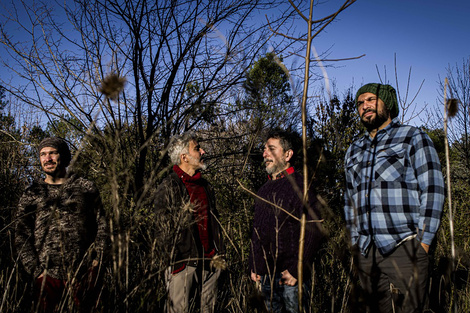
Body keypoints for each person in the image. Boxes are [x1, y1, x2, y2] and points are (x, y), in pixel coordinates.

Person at [344, 83, 445, 312]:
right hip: (367, 251)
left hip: (405, 246)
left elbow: (433, 189)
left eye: (371, 99)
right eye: (360, 103)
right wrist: (355, 242)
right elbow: (350, 199)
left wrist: (424, 243)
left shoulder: (412, 137)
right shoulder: (354, 149)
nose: (364, 106)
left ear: (387, 103)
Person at [15, 137, 109, 313]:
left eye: (52, 153)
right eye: (43, 154)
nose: (47, 159)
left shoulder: (85, 187)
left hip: (82, 274)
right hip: (46, 279)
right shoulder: (32, 194)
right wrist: (37, 272)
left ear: (63, 156)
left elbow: (102, 225)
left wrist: (96, 263)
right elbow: (22, 236)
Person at [249, 130, 323, 313]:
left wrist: (297, 268)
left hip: (290, 278)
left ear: (288, 154)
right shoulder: (263, 191)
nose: (265, 154)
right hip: (265, 277)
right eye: (264, 149)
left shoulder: (301, 186)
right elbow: (257, 231)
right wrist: (254, 264)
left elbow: (314, 229)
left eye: (271, 149)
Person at [154, 133, 225, 313]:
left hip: (210, 261)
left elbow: (214, 221)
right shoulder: (168, 187)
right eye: (197, 148)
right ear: (184, 157)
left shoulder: (205, 186)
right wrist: (176, 264)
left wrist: (219, 252)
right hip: (183, 265)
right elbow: (162, 231)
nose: (203, 151)